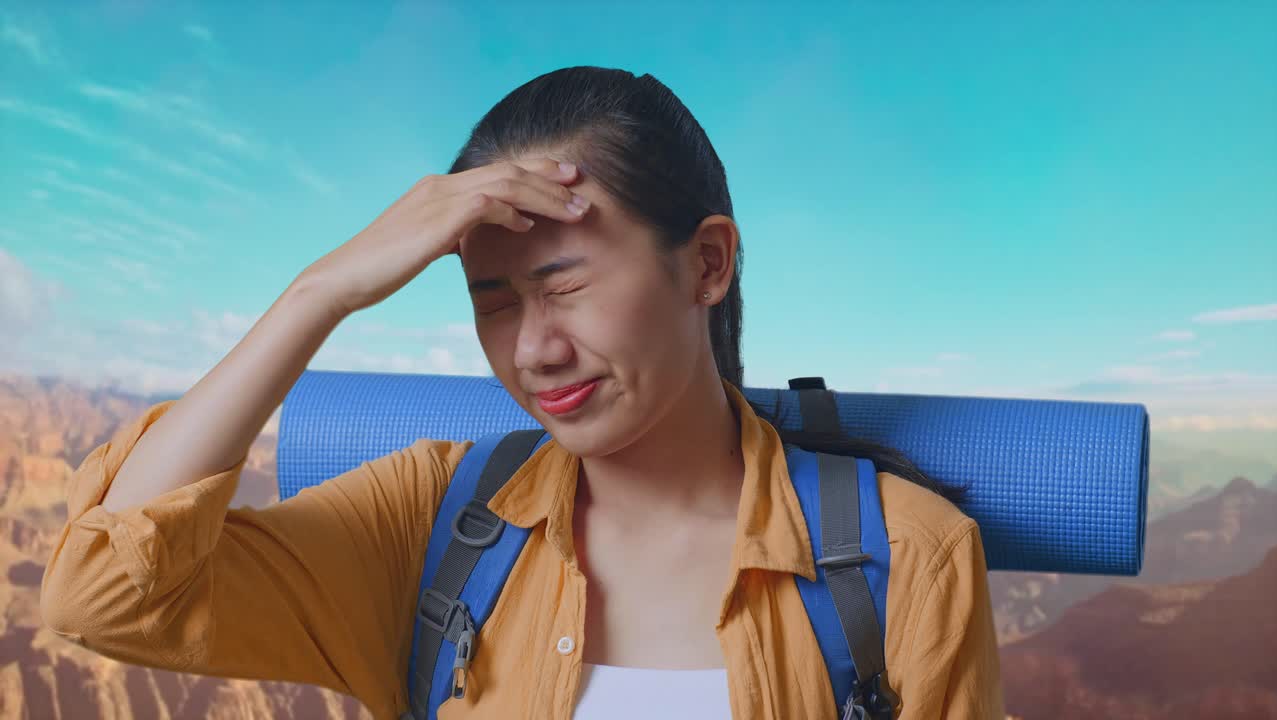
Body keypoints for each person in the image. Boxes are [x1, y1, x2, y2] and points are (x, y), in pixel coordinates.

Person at [40, 66, 1004, 719]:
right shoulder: (430, 524)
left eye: (567, 285)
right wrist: (320, 292)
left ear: (706, 264)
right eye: (492, 302)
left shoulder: (905, 562)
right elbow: (103, 600)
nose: (535, 350)